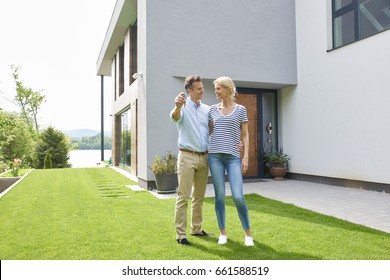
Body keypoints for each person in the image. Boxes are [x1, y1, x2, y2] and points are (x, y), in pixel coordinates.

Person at [208, 76, 254, 246]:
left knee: (238, 196)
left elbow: (246, 134)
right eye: (215, 89)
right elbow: (208, 132)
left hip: (234, 156)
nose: (216, 92)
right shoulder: (212, 110)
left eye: (218, 88)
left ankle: (248, 234)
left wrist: (246, 156)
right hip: (215, 156)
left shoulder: (241, 109)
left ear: (228, 89)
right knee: (219, 196)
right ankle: (222, 233)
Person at [170, 75, 210, 246]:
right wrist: (177, 106)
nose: (202, 91)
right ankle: (181, 235)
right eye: (199, 88)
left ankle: (196, 229)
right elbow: (175, 116)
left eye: (202, 87)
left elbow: (212, 129)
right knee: (183, 196)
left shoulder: (207, 109)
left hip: (204, 157)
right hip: (187, 156)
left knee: (199, 197)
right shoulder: (182, 108)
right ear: (190, 91)